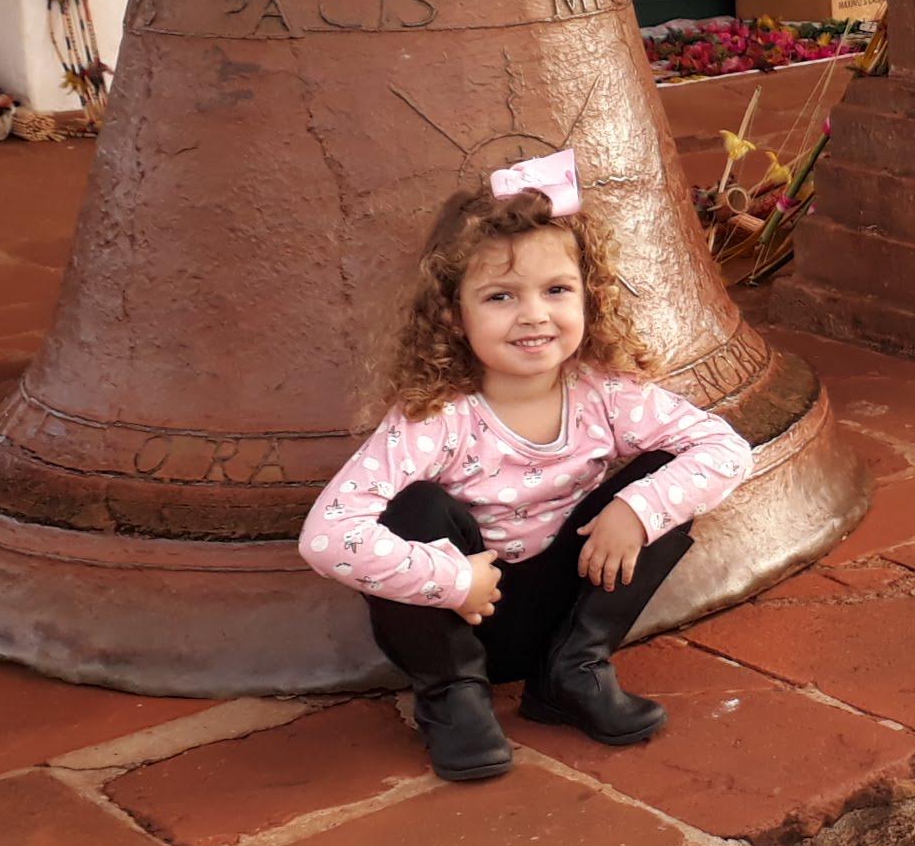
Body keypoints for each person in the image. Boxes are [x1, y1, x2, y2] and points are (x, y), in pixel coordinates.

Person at [303, 161, 754, 782]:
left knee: (662, 481)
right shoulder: (437, 418)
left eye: (557, 290)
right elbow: (327, 535)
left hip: (563, 609)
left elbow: (725, 450)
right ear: (454, 315)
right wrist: (449, 577)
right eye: (500, 297)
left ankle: (571, 674)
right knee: (417, 509)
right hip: (464, 616)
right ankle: (453, 696)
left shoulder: (604, 393)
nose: (534, 314)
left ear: (588, 296)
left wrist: (636, 510)